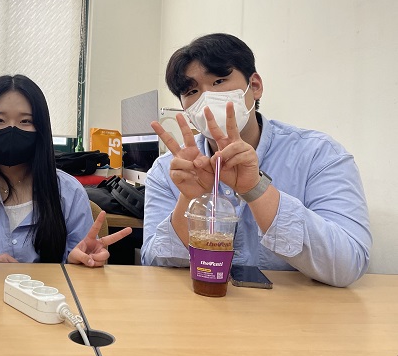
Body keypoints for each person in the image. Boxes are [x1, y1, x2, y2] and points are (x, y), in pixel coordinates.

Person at [141, 33, 371, 287]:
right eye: (192, 91)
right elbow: (154, 263)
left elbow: (348, 265)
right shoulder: (168, 170)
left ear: (255, 86)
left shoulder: (319, 155)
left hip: (293, 309)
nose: (206, 100)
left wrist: (256, 189)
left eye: (219, 81)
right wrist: (191, 200)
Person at [0, 74, 131, 265]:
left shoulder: (69, 193)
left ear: (41, 129)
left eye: (25, 121)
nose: (12, 129)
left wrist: (80, 263)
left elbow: (81, 266)